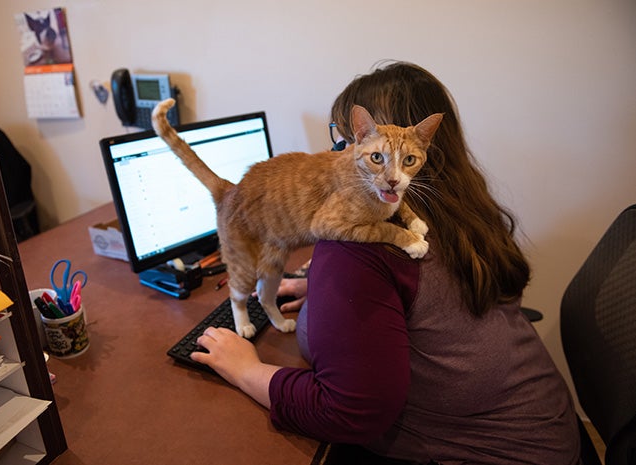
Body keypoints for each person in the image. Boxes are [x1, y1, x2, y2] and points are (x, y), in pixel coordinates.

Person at [191, 61, 581, 464]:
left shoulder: (359, 251)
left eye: (342, 139)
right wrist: (332, 289)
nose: (338, 151)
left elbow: (348, 413)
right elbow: (432, 294)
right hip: (551, 429)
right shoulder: (461, 213)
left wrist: (245, 370)